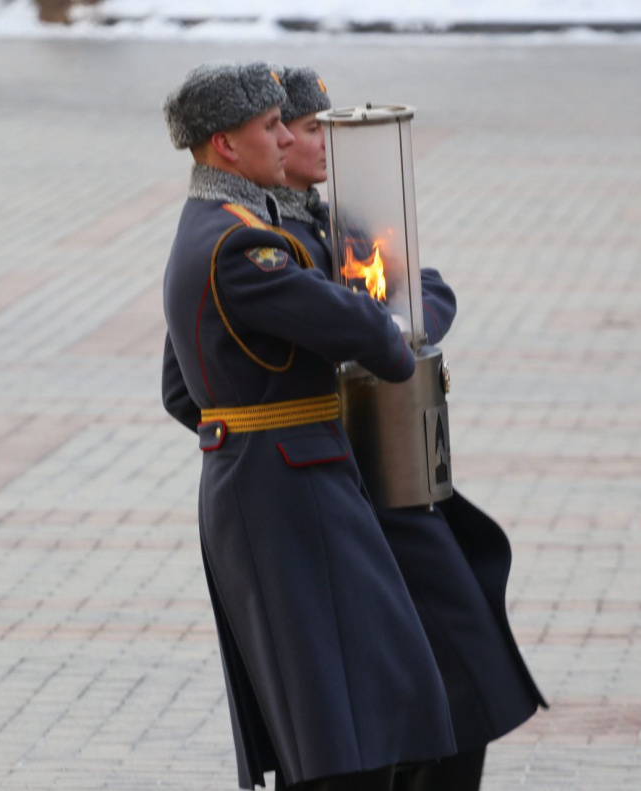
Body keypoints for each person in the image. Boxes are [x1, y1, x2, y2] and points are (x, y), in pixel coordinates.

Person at [159, 62, 458, 791]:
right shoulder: (241, 245)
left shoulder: (231, 228)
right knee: (332, 722)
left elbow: (179, 390)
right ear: (226, 147)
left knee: (346, 708)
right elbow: (373, 335)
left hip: (282, 476)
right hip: (285, 489)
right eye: (270, 127)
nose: (287, 138)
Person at [270, 66, 547, 791]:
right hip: (347, 484)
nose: (320, 141)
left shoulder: (332, 222)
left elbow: (426, 288)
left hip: (395, 474)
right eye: (303, 129)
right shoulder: (265, 242)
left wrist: (396, 331)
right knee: (422, 676)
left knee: (466, 667)